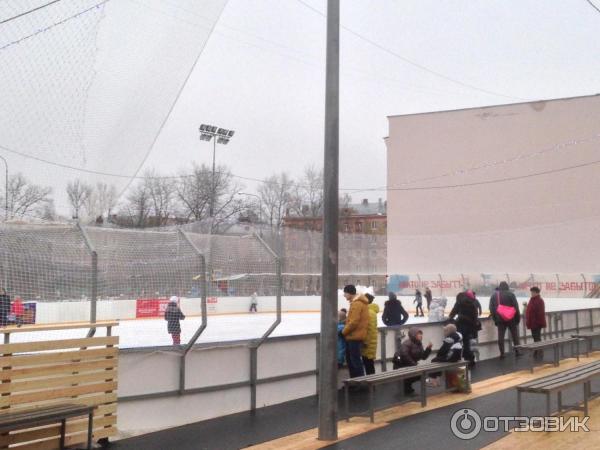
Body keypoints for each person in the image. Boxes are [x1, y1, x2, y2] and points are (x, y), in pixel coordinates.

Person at [340, 285, 369, 378]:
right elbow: (353, 319)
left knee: (355, 361)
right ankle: (356, 382)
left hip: (354, 336)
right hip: (356, 336)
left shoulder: (356, 304)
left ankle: (360, 383)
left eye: (345, 293)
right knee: (352, 360)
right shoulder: (358, 303)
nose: (344, 295)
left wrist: (343, 332)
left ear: (349, 293)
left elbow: (354, 322)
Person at [393, 327, 432, 395]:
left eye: (421, 334)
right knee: (418, 374)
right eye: (418, 334)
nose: (421, 335)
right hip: (400, 365)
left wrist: (428, 349)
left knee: (419, 374)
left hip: (409, 365)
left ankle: (407, 387)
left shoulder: (419, 344)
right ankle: (408, 387)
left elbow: (423, 357)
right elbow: (404, 355)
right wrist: (415, 365)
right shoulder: (407, 343)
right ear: (413, 335)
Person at [489, 281, 521, 358]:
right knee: (514, 335)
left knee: (501, 337)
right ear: (507, 287)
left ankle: (502, 353)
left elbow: (491, 308)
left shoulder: (494, 295)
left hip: (500, 319)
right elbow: (516, 307)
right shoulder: (511, 294)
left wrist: (495, 319)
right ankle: (517, 351)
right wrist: (517, 319)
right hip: (511, 318)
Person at [449, 292, 478, 368]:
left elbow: (453, 313)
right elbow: (475, 316)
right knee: (467, 344)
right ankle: (470, 360)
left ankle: (458, 361)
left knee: (458, 344)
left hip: (460, 326)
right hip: (470, 327)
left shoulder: (459, 302)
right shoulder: (472, 303)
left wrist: (450, 319)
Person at [361, 293, 380, 375]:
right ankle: (371, 383)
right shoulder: (371, 311)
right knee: (369, 364)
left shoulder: (369, 312)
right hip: (370, 342)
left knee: (368, 364)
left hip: (368, 344)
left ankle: (370, 384)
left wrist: (365, 342)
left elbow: (370, 329)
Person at [526, 286, 546, 359]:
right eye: (531, 292)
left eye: (533, 292)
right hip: (533, 322)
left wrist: (536, 322)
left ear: (536, 293)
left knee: (537, 337)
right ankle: (537, 350)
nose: (531, 293)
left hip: (536, 323)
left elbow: (539, 313)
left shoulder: (539, 300)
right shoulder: (532, 300)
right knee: (535, 337)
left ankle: (538, 351)